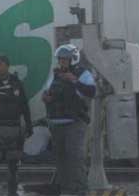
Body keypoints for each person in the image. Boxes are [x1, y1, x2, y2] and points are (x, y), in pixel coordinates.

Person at [42, 44, 95, 196]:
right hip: (56, 122)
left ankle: (80, 190)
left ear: (73, 59)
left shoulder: (82, 73)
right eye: (60, 59)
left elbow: (92, 91)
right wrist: (46, 98)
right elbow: (48, 92)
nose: (62, 62)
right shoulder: (55, 74)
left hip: (74, 122)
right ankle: (66, 189)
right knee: (60, 158)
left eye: (65, 59)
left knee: (75, 157)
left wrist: (74, 81)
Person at [0, 54, 32, 196]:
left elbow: (24, 105)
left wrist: (29, 125)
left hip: (13, 128)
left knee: (14, 166)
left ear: (7, 66)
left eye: (0, 63)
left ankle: (12, 192)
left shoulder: (16, 82)